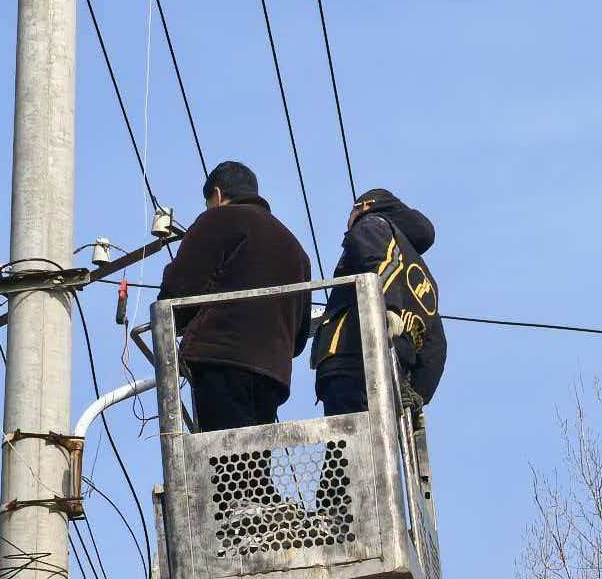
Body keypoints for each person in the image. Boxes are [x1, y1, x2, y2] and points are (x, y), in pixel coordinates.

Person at [159, 160, 312, 431]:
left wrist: (173, 321)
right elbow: (300, 335)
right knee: (252, 462)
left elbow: (180, 287)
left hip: (221, 358)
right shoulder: (296, 249)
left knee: (224, 459)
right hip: (273, 372)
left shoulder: (217, 219)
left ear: (217, 195)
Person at [311, 188, 444, 418]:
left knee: (347, 447)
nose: (348, 221)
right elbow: (436, 347)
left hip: (352, 357)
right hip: (393, 378)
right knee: (371, 449)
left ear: (365, 206)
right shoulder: (426, 279)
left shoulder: (372, 224)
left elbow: (380, 262)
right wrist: (417, 396)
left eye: (351, 212)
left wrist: (388, 307)